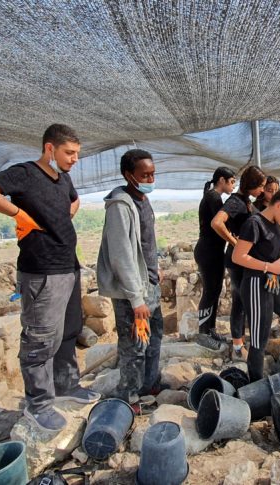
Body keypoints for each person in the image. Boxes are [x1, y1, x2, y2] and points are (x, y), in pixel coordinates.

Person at [0, 124, 97, 433]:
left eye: (77, 154)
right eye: (69, 153)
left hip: (68, 265)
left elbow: (74, 201)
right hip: (40, 271)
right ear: (49, 149)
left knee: (68, 331)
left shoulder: (63, 179)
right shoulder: (25, 173)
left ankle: (67, 385)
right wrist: (18, 215)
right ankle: (37, 405)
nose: (74, 159)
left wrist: (62, 218)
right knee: (40, 340)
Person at [98, 149, 167, 405]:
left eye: (153, 174)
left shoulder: (142, 200)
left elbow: (146, 242)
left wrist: (154, 267)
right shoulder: (120, 205)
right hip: (133, 291)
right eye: (145, 175)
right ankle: (128, 397)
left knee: (154, 337)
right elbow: (121, 255)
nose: (150, 180)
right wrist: (136, 299)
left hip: (150, 283)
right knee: (134, 346)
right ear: (129, 175)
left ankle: (149, 385)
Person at [232, 185, 280, 383]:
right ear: (278, 205)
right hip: (255, 285)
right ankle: (257, 385)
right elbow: (238, 256)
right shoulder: (254, 223)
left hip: (272, 283)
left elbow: (268, 252)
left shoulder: (275, 222)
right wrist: (269, 266)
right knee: (259, 340)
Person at [211, 166, 267, 360]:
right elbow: (217, 222)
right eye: (260, 186)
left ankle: (247, 342)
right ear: (250, 184)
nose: (262, 190)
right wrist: (234, 242)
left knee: (247, 300)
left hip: (246, 260)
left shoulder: (246, 201)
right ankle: (237, 345)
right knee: (240, 301)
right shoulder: (235, 202)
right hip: (237, 261)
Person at [194, 167, 236, 350]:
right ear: (222, 180)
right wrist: (234, 240)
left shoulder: (214, 197)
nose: (233, 185)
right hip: (208, 251)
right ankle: (203, 333)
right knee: (210, 291)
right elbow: (220, 223)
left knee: (215, 290)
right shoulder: (214, 197)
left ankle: (210, 329)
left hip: (213, 251)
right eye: (232, 181)